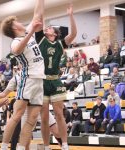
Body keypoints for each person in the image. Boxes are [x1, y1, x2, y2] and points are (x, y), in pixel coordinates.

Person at [0, 0, 45, 149]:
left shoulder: (27, 34)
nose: (20, 22)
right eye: (16, 22)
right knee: (17, 115)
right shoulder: (15, 41)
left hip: (39, 80)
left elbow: (37, 14)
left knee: (32, 119)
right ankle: (4, 147)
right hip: (28, 79)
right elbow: (18, 50)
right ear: (13, 27)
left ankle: (20, 147)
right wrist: (32, 32)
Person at [36, 4, 77, 150]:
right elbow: (40, 17)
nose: (46, 28)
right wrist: (41, 3)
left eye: (49, 28)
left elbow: (73, 34)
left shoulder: (60, 44)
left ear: (54, 33)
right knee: (45, 118)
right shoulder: (41, 39)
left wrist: (71, 15)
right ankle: (47, 146)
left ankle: (65, 145)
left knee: (60, 114)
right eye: (46, 28)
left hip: (55, 80)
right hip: (43, 81)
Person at [0, 74, 62, 150]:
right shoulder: (17, 78)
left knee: (56, 132)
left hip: (40, 106)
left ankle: (64, 147)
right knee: (25, 141)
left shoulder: (38, 71)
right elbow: (4, 93)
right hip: (26, 109)